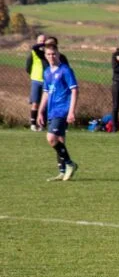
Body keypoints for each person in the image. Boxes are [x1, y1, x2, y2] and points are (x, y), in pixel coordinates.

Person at [37, 43, 78, 182]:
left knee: (51, 138)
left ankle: (70, 164)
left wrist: (71, 111)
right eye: (48, 54)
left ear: (58, 54)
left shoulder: (65, 70)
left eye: (53, 54)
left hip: (63, 110)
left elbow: (74, 90)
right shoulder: (47, 72)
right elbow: (46, 92)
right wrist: (40, 111)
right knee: (59, 140)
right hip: (52, 111)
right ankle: (62, 171)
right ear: (45, 56)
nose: (51, 57)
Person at [26, 34, 46, 131]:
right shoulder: (34, 52)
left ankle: (42, 125)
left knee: (45, 103)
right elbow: (28, 66)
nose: (42, 42)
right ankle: (33, 124)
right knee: (35, 103)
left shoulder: (49, 52)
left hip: (47, 81)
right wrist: (33, 74)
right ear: (37, 41)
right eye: (41, 40)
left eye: (44, 40)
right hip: (36, 80)